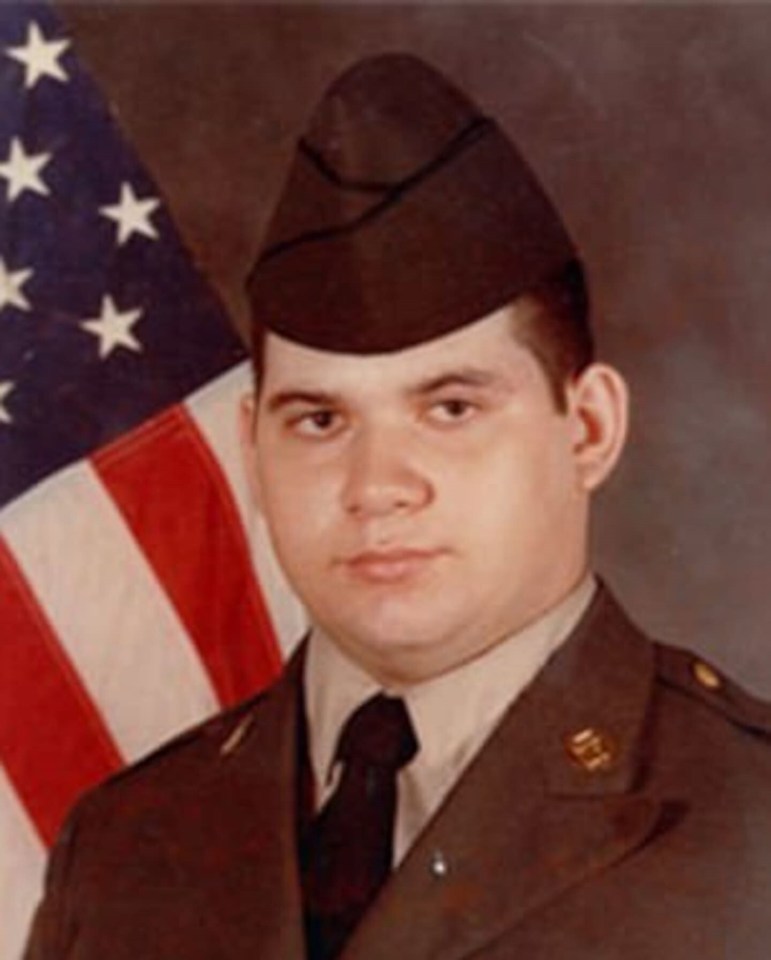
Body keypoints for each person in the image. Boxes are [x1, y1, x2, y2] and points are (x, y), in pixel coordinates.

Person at [24, 53, 771, 960]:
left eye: (450, 409)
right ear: (254, 450)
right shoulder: (120, 848)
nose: (376, 485)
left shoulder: (749, 825)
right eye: (320, 419)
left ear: (588, 429)